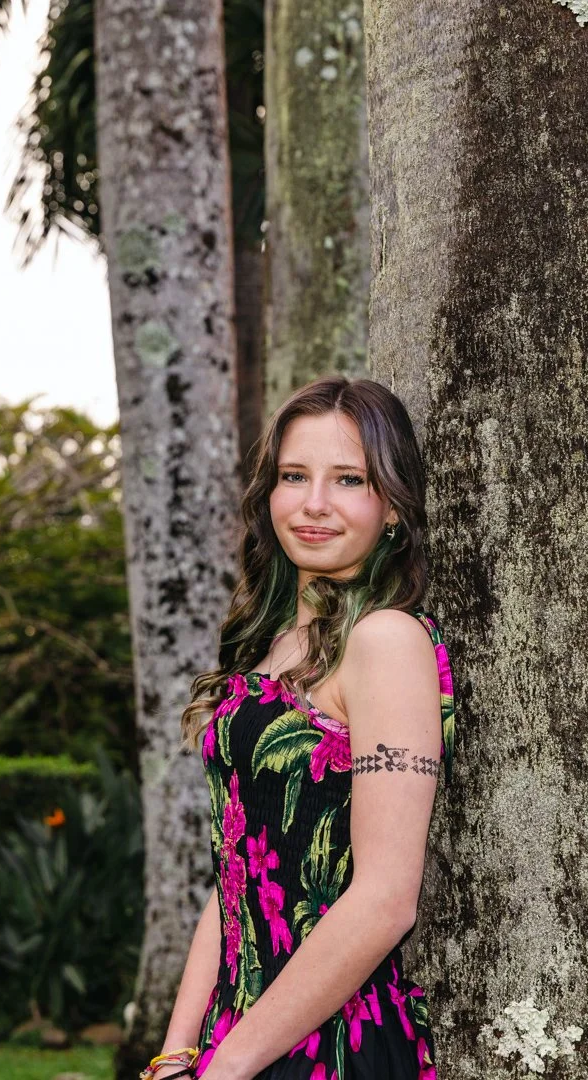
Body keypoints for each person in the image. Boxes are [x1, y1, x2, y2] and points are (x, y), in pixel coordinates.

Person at [138, 375, 457, 1080]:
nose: (313, 504)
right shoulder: (273, 641)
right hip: (238, 1038)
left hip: (329, 1042)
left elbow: (383, 901)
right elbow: (236, 865)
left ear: (394, 510)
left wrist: (228, 1069)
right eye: (293, 476)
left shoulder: (385, 641)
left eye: (348, 479)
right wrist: (178, 1050)